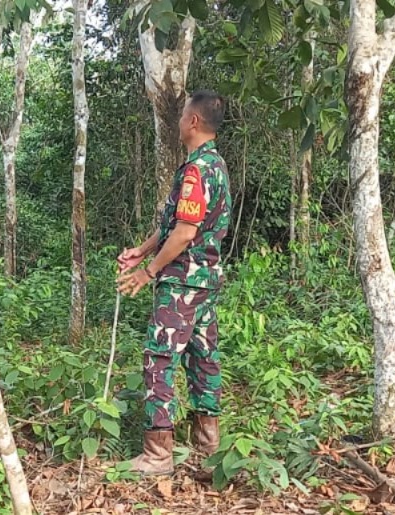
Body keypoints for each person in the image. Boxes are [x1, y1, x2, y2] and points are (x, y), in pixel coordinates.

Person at [116, 90, 231, 475]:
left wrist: (147, 272)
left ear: (193, 122)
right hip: (207, 281)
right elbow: (175, 227)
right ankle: (206, 451)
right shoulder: (215, 166)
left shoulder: (197, 170)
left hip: (182, 282)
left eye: (183, 115)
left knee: (160, 359)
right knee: (203, 359)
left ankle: (158, 455)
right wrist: (142, 251)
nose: (179, 120)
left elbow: (184, 234)